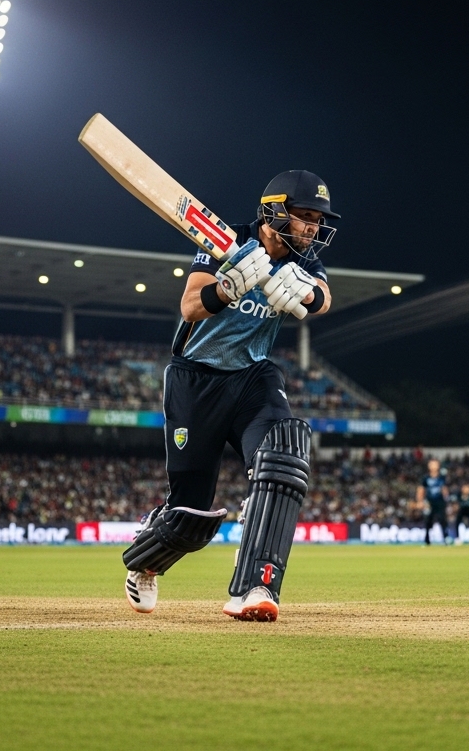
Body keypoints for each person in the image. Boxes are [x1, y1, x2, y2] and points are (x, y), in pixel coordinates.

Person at [121, 170, 338, 622]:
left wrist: (308, 293)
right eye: (304, 217)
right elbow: (189, 306)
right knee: (191, 516)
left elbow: (324, 297)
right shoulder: (225, 241)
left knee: (283, 455)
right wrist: (228, 287)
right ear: (275, 212)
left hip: (253, 378)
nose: (313, 228)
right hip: (195, 380)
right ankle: (145, 561)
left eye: (318, 220)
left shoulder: (304, 258)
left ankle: (257, 586)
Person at [417, 459, 449, 545]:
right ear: (429, 466)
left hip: (440, 502)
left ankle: (446, 538)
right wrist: (420, 501)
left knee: (442, 519)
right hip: (429, 502)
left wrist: (446, 498)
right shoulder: (425, 478)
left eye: (435, 464)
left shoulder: (442, 477)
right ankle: (427, 539)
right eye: (432, 464)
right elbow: (421, 490)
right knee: (428, 520)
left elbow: (444, 489)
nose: (434, 466)